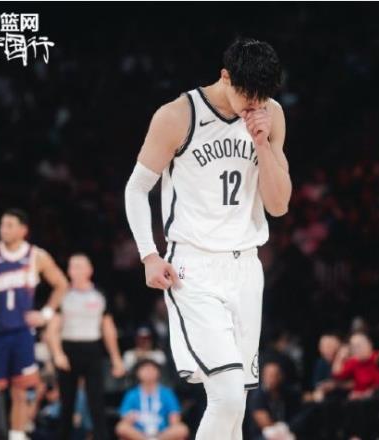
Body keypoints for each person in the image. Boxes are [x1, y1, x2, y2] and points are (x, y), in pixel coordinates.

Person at [124, 38, 291, 440]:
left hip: (245, 267)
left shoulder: (271, 114)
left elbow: (279, 204)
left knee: (236, 404)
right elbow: (136, 188)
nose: (253, 106)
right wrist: (148, 255)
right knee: (228, 396)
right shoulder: (177, 115)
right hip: (193, 268)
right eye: (247, 97)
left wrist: (262, 144)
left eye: (261, 98)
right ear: (225, 77)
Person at [0, 208, 68, 440]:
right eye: (2, 225)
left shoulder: (36, 256)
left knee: (21, 391)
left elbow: (61, 284)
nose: (3, 229)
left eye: (9, 225)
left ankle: (16, 435)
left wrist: (45, 314)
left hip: (22, 333)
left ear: (23, 230)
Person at [46, 253, 126, 440]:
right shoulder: (62, 295)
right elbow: (52, 329)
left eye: (81, 266)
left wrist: (116, 359)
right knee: (67, 403)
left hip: (92, 348)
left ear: (90, 270)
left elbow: (108, 328)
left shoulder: (99, 294)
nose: (77, 270)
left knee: (96, 402)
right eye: (73, 266)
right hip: (68, 349)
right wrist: (57, 354)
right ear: (68, 271)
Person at [115, 359, 189, 440]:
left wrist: (172, 424)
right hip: (139, 434)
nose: (149, 372)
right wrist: (130, 417)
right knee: (121, 427)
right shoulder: (132, 394)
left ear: (158, 373)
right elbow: (125, 418)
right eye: (145, 369)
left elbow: (175, 418)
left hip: (162, 433)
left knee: (182, 429)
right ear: (137, 373)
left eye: (152, 369)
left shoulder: (167, 393)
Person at [248, 361, 301, 440]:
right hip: (262, 434)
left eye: (277, 375)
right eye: (270, 375)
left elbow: (301, 397)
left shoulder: (284, 391)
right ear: (263, 376)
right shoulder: (258, 395)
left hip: (284, 429)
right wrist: (281, 428)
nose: (273, 378)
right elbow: (264, 422)